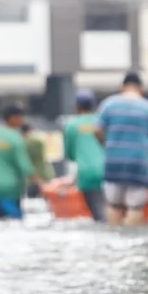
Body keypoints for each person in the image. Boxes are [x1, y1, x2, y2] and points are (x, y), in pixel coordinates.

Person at [96, 72, 148, 226]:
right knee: (135, 207)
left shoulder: (108, 104)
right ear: (141, 88)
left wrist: (107, 145)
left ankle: (113, 240)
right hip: (138, 164)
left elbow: (97, 130)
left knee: (113, 205)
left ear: (122, 87)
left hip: (113, 163)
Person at [61, 89, 108, 222]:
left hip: (87, 173)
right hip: (110, 171)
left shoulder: (71, 125)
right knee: (113, 211)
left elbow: (70, 154)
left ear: (77, 107)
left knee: (98, 215)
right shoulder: (102, 122)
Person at [0, 104, 35, 220]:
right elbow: (24, 166)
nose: (22, 120)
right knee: (16, 221)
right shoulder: (15, 137)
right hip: (10, 189)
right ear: (12, 118)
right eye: (20, 117)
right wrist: (40, 182)